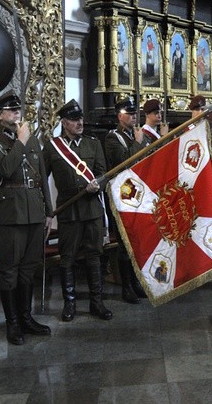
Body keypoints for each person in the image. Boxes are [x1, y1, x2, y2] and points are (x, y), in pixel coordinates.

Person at [0, 91, 53, 345]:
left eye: (17, 109)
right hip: (9, 213)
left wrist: (48, 212)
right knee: (9, 270)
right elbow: (3, 169)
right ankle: (12, 323)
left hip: (34, 210)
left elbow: (42, 176)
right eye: (10, 110)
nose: (16, 113)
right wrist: (21, 142)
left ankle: (26, 317)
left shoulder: (31, 140)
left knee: (28, 269)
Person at [43, 100, 112, 322]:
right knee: (68, 258)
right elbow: (42, 180)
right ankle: (69, 302)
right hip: (69, 210)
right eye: (74, 120)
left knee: (94, 256)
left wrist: (97, 185)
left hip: (92, 210)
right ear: (64, 123)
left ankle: (96, 302)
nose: (80, 122)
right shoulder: (53, 147)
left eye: (80, 118)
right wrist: (46, 210)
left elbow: (104, 174)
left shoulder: (93, 144)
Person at [104, 96, 146, 304]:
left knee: (137, 242)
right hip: (123, 196)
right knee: (124, 243)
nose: (134, 116)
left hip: (139, 195)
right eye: (130, 113)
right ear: (120, 116)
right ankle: (126, 286)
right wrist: (138, 143)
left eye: (135, 113)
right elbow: (123, 163)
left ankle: (137, 283)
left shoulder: (136, 135)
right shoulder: (113, 138)